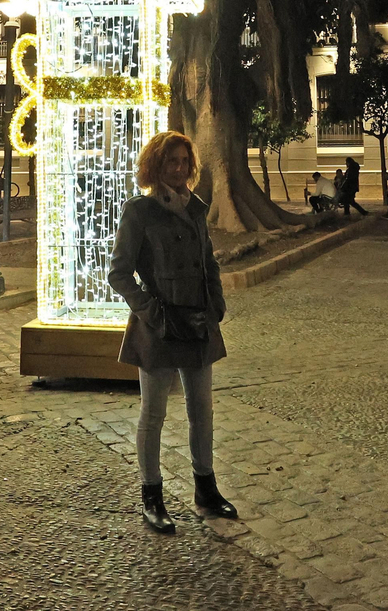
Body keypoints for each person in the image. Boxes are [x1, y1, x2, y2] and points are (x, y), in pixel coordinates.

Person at [109, 130, 236, 534]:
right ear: (155, 166)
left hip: (198, 323)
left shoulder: (196, 208)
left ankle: (206, 490)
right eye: (171, 161)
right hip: (159, 327)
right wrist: (151, 311)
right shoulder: (140, 211)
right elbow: (118, 273)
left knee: (202, 411)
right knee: (154, 414)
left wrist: (216, 304)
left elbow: (208, 261)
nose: (179, 169)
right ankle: (152, 496)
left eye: (184, 161)